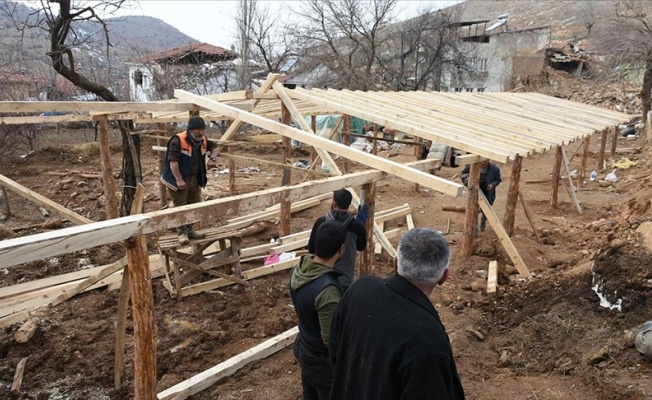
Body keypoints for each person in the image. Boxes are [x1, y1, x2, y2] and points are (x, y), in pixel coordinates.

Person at [329, 228, 465, 400]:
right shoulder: (429, 340)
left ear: (394, 264)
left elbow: (334, 348)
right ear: (444, 277)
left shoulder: (360, 289)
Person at [290, 220, 348, 400]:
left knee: (309, 396)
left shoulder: (298, 269)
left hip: (304, 345)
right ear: (341, 249)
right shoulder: (327, 291)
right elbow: (329, 339)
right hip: (321, 362)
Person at [161, 116, 218, 244]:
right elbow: (173, 162)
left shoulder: (202, 140)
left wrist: (213, 158)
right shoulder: (178, 140)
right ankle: (182, 233)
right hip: (177, 178)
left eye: (203, 129)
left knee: (194, 204)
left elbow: (215, 147)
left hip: (194, 177)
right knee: (181, 205)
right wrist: (179, 180)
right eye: (198, 129)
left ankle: (190, 230)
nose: (202, 132)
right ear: (191, 129)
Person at [307, 189, 367, 292]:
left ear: (334, 204)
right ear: (348, 205)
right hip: (345, 279)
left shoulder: (321, 222)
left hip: (321, 276)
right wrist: (360, 223)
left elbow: (311, 249)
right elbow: (361, 246)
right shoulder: (356, 226)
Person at [461, 160, 501, 232]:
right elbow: (463, 174)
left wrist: (493, 184)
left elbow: (498, 179)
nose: (483, 163)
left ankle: (483, 221)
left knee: (486, 211)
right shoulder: (471, 166)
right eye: (481, 162)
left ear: (488, 161)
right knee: (474, 210)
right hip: (475, 192)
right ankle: (475, 229)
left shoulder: (495, 169)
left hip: (487, 192)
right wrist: (467, 182)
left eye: (485, 162)